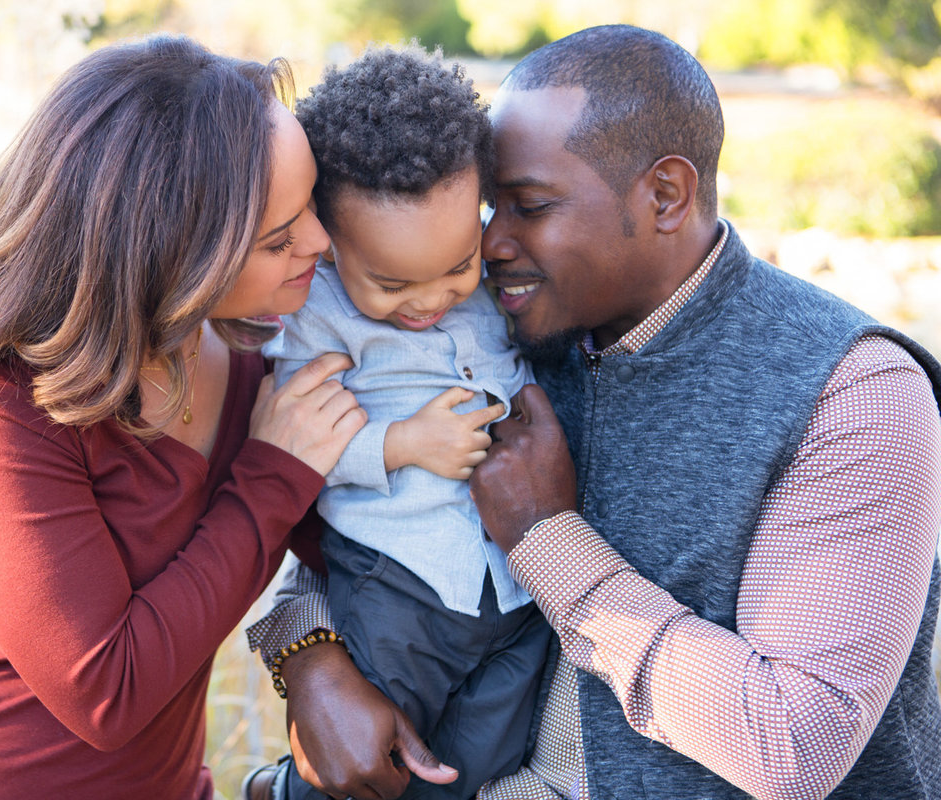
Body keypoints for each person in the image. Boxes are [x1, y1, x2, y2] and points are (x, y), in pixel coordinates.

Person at [246, 24, 941, 800]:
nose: (491, 244)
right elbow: (369, 523)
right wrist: (307, 654)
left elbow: (794, 745)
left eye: (529, 206)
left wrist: (546, 538)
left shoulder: (852, 393)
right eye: (487, 206)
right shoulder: (510, 323)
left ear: (665, 195)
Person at [0, 35, 368, 800]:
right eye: (278, 236)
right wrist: (275, 475)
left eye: (312, 209)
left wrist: (312, 650)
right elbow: (107, 690)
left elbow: (366, 547)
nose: (321, 243)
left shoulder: (257, 370)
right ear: (170, 250)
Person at [258, 45, 550, 800]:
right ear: (330, 241)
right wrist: (402, 442)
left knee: (477, 764)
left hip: (512, 590)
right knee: (365, 764)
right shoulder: (317, 314)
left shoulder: (495, 284)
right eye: (390, 284)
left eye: (457, 268)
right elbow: (301, 446)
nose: (431, 301)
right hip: (398, 582)